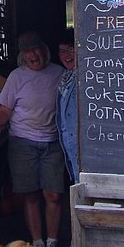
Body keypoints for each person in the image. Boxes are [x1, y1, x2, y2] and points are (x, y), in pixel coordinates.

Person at [0, 31, 67, 247]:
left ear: (45, 50)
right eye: (28, 52)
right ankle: (38, 245)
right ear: (23, 56)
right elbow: (5, 109)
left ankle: (53, 244)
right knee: (30, 195)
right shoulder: (16, 77)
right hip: (23, 142)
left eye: (37, 49)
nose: (34, 55)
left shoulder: (58, 74)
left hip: (52, 142)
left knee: (53, 194)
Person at [56, 28, 79, 183]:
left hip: (83, 147)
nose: (66, 56)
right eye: (62, 51)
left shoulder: (89, 75)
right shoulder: (64, 78)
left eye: (71, 50)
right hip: (69, 145)